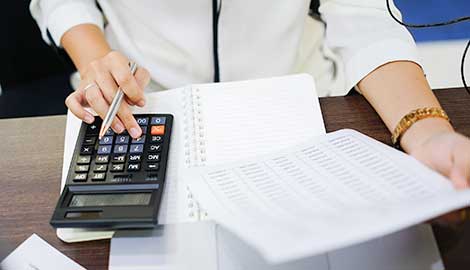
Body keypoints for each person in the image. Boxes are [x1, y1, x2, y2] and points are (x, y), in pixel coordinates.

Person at [31, 0, 470, 222]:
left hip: (301, 100)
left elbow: (360, 11)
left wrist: (427, 131)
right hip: (146, 102)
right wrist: (95, 59)